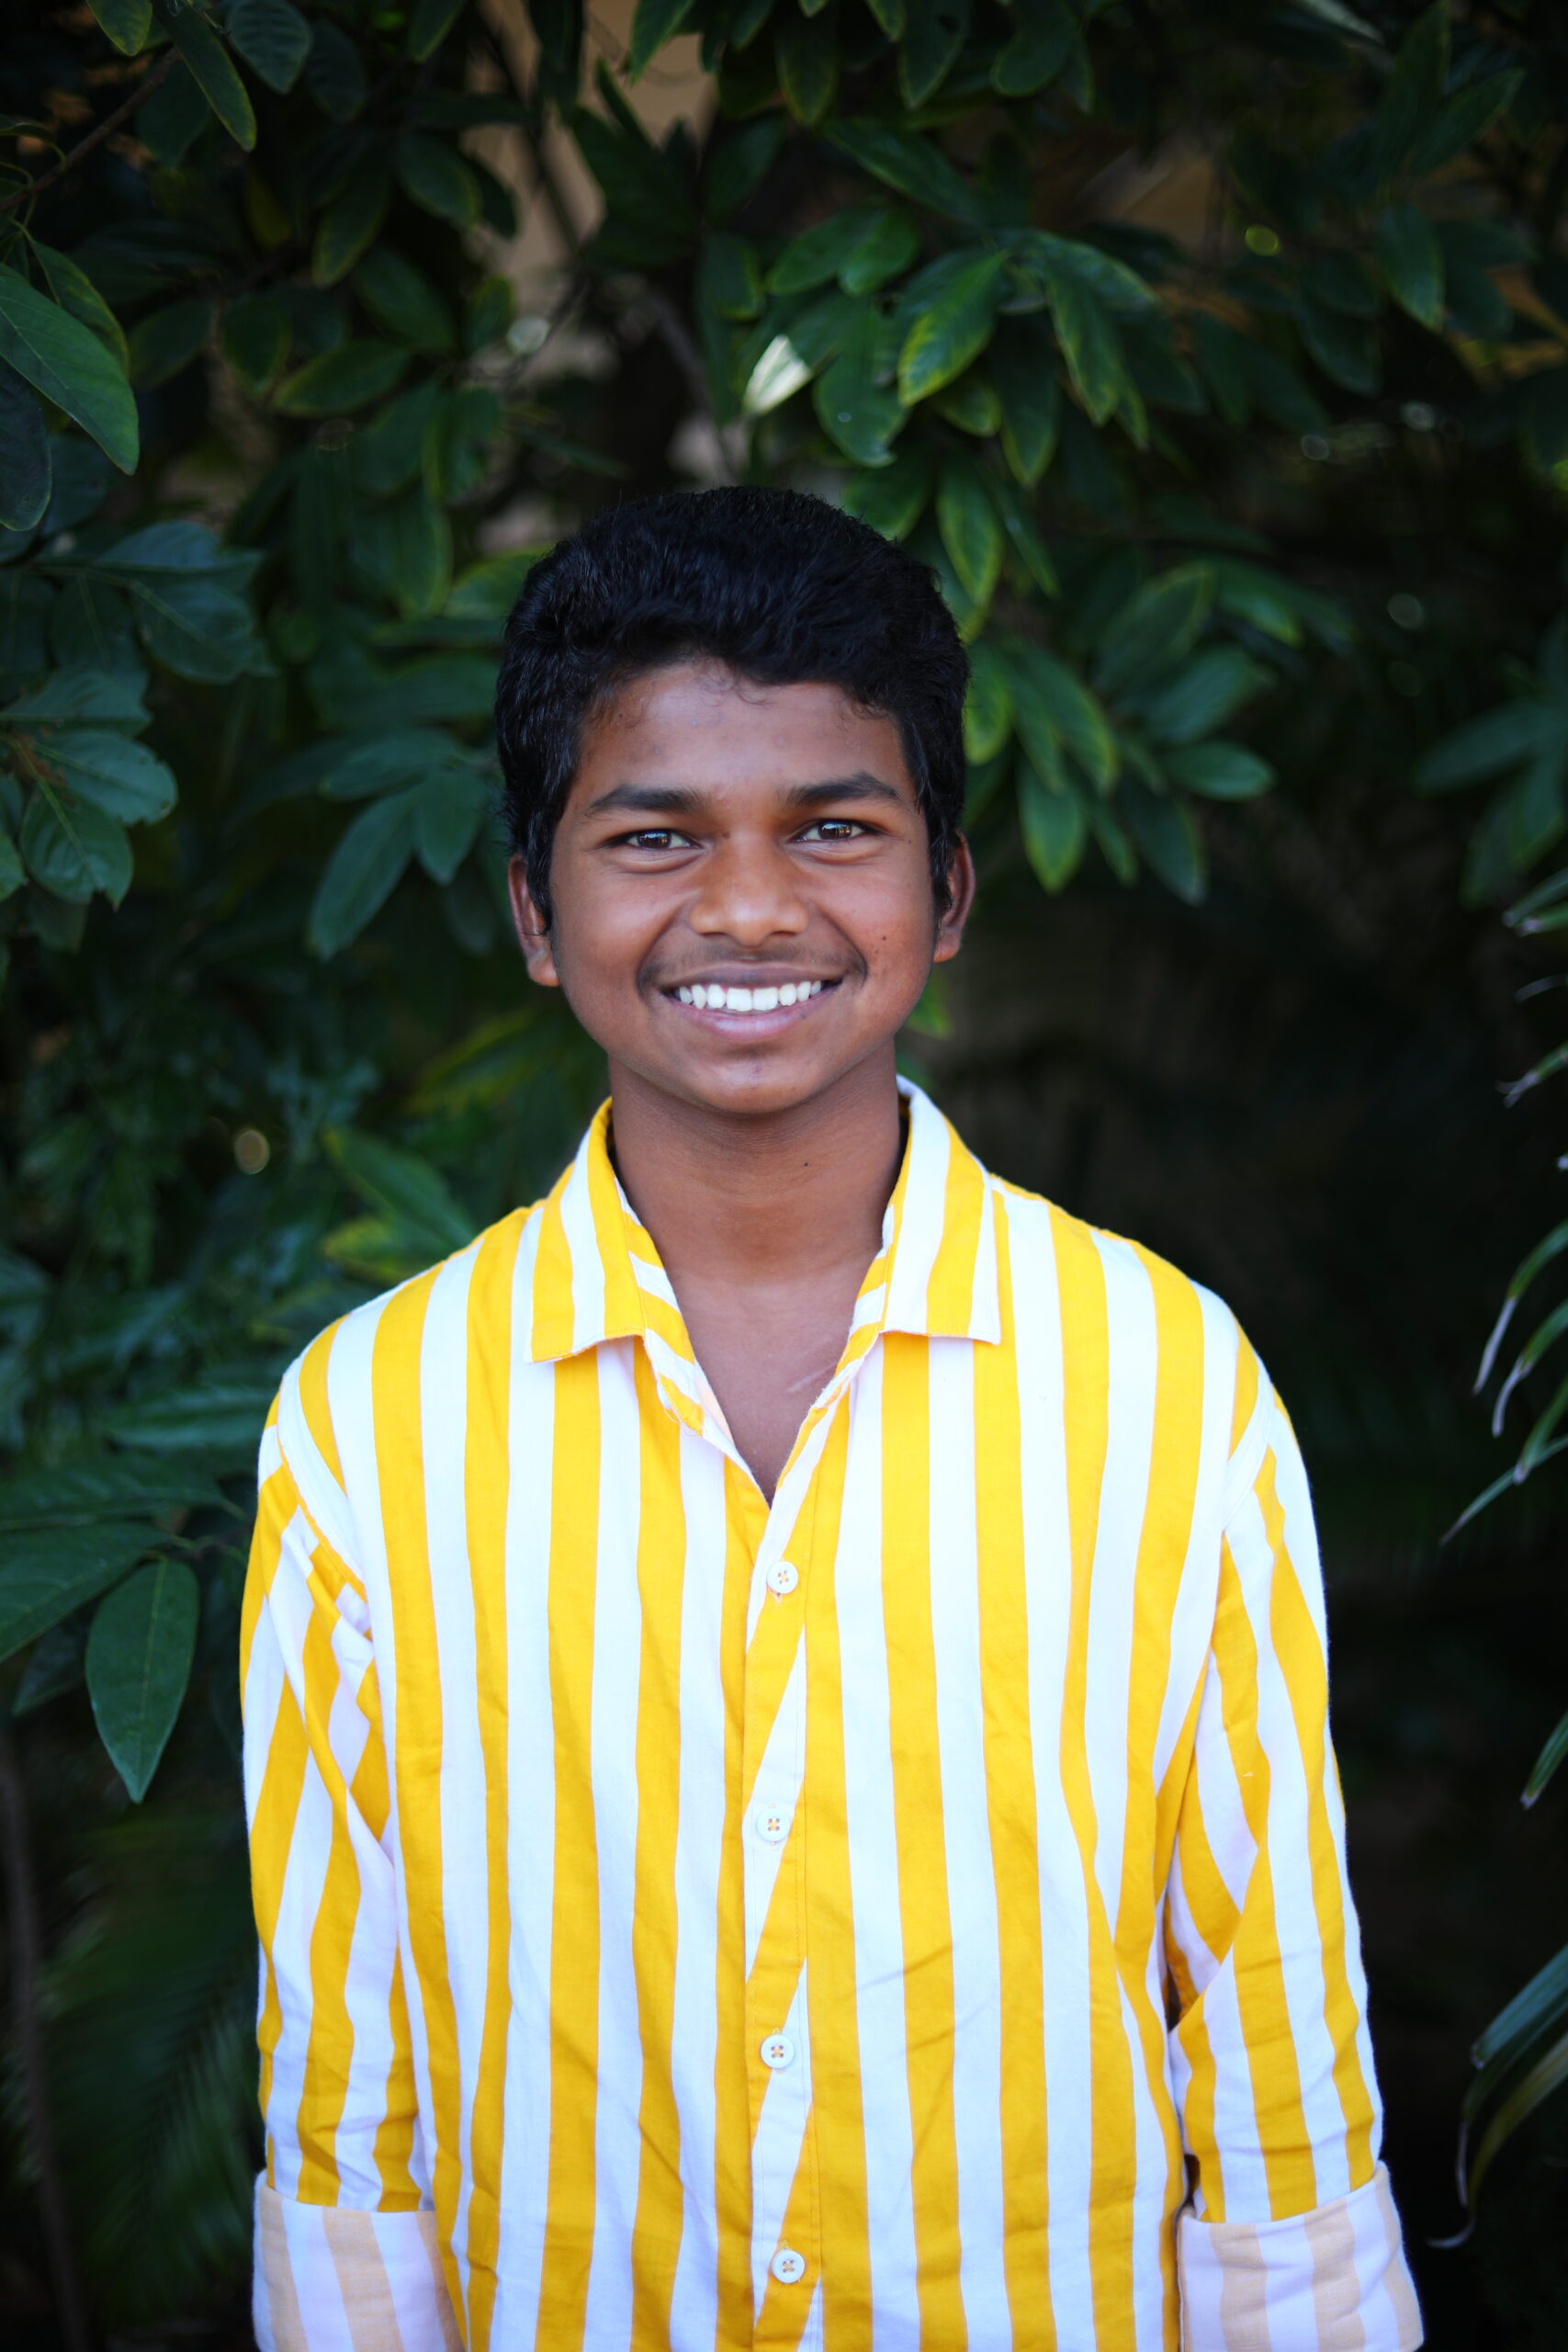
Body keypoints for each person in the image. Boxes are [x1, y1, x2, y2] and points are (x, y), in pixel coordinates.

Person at [242, 486, 1422, 2352]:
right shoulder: (368, 1424)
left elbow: (1269, 2028)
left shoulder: (1164, 1383)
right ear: (534, 907)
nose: (746, 904)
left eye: (833, 826)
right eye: (653, 833)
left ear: (943, 891)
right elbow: (347, 2090)